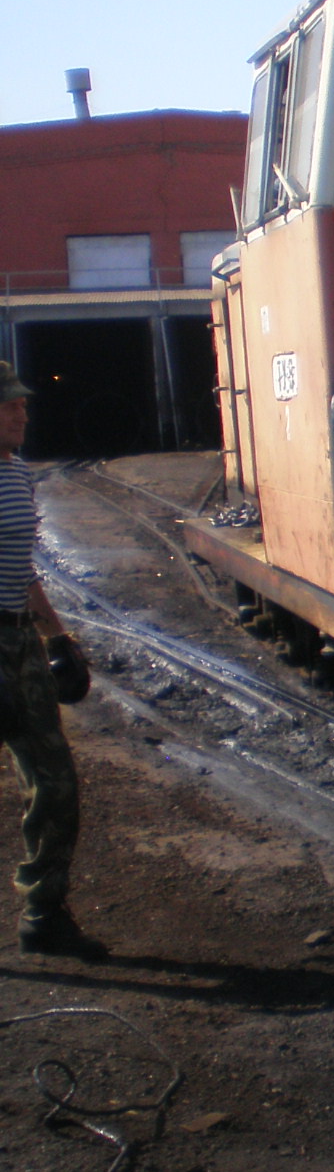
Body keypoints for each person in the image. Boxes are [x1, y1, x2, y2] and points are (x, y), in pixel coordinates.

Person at [1, 365, 96, 959]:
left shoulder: (17, 475)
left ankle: (45, 912)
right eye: (9, 407)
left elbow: (22, 569)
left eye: (22, 406)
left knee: (56, 782)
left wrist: (58, 640)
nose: (22, 414)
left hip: (18, 645)